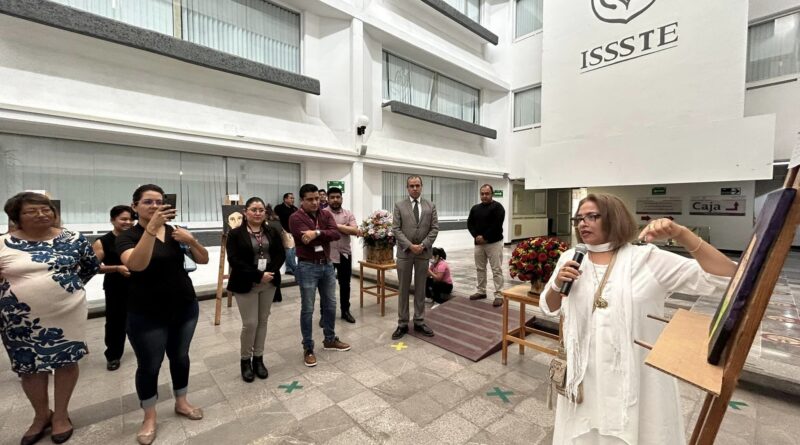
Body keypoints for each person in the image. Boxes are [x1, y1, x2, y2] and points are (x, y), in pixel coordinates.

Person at [541, 193, 736, 445]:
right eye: (579, 218)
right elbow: (548, 306)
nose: (583, 223)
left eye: (592, 216)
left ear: (614, 218)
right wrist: (557, 284)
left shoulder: (647, 259)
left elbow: (727, 278)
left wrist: (682, 234)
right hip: (584, 378)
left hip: (637, 379)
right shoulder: (570, 258)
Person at [0, 192, 100, 445]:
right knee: (29, 367)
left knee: (66, 362)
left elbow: (90, 267)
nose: (41, 214)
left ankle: (61, 415)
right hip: (18, 319)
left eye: (46, 209)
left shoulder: (73, 238)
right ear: (16, 217)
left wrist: (68, 287)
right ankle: (41, 415)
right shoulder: (3, 243)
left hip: (68, 312)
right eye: (31, 211)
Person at [117, 184, 209, 445]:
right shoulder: (127, 235)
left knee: (180, 357)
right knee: (150, 365)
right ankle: (149, 416)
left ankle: (182, 401)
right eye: (148, 202)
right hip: (146, 313)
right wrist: (150, 230)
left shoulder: (175, 232)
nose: (155, 206)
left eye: (159, 201)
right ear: (135, 206)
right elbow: (136, 265)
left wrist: (191, 241)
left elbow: (203, 259)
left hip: (184, 307)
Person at [289, 184, 350, 367]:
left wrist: (316, 233)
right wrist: (324, 234)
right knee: (308, 308)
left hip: (327, 265)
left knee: (330, 304)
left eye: (317, 198)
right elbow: (304, 240)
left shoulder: (325, 214)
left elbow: (336, 234)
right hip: (307, 266)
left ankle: (329, 339)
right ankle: (308, 347)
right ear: (302, 200)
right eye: (310, 199)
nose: (315, 202)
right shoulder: (295, 218)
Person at [226, 197, 285, 382]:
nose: (258, 213)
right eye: (254, 209)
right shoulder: (235, 234)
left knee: (263, 321)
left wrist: (269, 272)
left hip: (269, 282)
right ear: (245, 212)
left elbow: (280, 254)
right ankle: (245, 361)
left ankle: (258, 359)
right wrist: (258, 275)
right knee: (250, 323)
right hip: (246, 283)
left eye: (261, 210)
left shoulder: (272, 231)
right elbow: (234, 260)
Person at [391, 175, 439, 340]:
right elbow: (396, 229)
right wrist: (410, 245)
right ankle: (402, 323)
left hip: (423, 253)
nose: (415, 188)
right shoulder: (399, 205)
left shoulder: (430, 206)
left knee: (420, 288)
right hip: (405, 253)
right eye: (411, 186)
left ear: (421, 187)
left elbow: (434, 228)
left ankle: (419, 321)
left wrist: (423, 245)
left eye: (417, 185)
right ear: (407, 188)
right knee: (403, 289)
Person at [92, 205, 134, 371]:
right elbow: (92, 267)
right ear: (112, 220)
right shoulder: (103, 242)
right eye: (123, 219)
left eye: (131, 219)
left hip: (139, 284)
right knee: (116, 322)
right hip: (116, 286)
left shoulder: (137, 237)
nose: (128, 222)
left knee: (142, 318)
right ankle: (113, 355)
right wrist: (116, 268)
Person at [467, 184, 506, 307]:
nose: (484, 196)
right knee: (480, 268)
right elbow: (470, 223)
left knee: (496, 269)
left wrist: (484, 237)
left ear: (492, 194)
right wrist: (476, 236)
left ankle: (499, 295)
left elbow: (496, 225)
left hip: (494, 243)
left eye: (487, 193)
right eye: (482, 194)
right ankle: (481, 291)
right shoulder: (475, 208)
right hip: (479, 244)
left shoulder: (498, 207)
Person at [325, 187, 360, 323]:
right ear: (328, 199)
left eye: (337, 197)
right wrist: (344, 227)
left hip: (344, 254)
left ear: (341, 198)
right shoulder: (322, 214)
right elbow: (321, 231)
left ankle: (345, 311)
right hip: (327, 255)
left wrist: (335, 226)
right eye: (332, 197)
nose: (335, 200)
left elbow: (355, 231)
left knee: (345, 285)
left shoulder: (348, 214)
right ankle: (325, 314)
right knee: (325, 286)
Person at [274, 193, 298, 275]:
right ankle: (294, 268)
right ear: (285, 199)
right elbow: (274, 217)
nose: (293, 200)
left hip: (293, 231)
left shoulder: (294, 208)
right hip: (284, 231)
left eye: (293, 198)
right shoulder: (279, 208)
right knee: (289, 249)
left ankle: (289, 268)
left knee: (293, 250)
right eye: (291, 198)